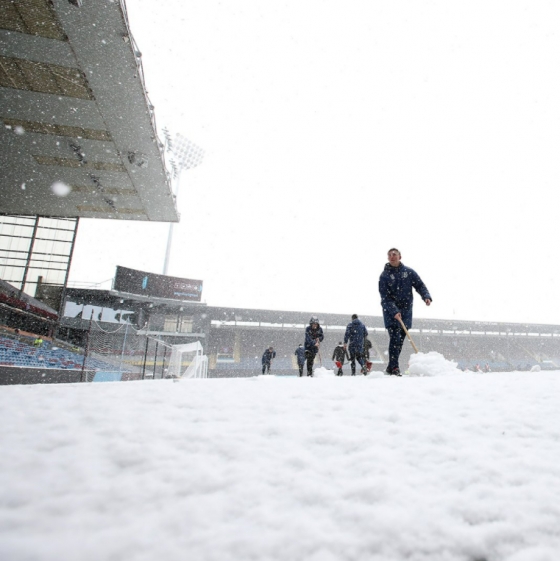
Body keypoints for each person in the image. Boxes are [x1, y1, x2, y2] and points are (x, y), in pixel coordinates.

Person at [379, 248, 432, 376]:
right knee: (395, 338)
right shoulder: (384, 276)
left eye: (394, 254)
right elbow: (385, 297)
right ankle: (395, 367)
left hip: (406, 311)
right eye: (390, 255)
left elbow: (419, 285)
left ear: (400, 257)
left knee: (400, 341)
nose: (392, 256)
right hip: (391, 313)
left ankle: (390, 367)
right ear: (388, 258)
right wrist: (394, 311)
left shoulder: (408, 272)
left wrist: (426, 296)